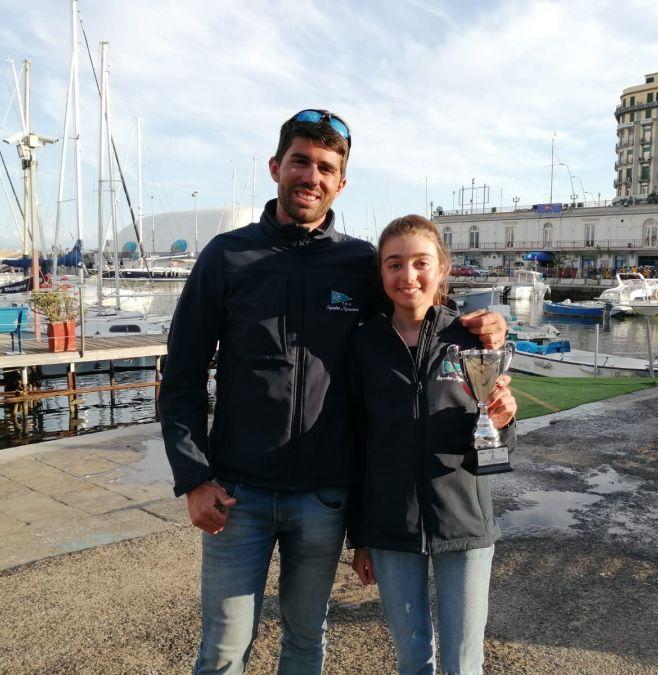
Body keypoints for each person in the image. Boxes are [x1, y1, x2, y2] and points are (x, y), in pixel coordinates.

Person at [159, 110, 508, 674]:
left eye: (326, 167)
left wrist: (485, 331)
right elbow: (181, 376)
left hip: (324, 498)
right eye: (300, 161)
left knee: (305, 641)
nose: (311, 176)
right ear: (276, 167)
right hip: (236, 493)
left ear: (340, 183)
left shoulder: (356, 264)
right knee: (223, 650)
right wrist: (194, 478)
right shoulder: (227, 257)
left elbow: (412, 325)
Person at [348, 214, 518, 675]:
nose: (408, 276)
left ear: (442, 267)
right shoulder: (363, 345)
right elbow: (357, 445)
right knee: (411, 659)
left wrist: (502, 421)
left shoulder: (471, 338)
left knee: (464, 663)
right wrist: (360, 538)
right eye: (394, 264)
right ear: (381, 272)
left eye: (421, 262)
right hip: (390, 528)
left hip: (465, 520)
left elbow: (498, 440)